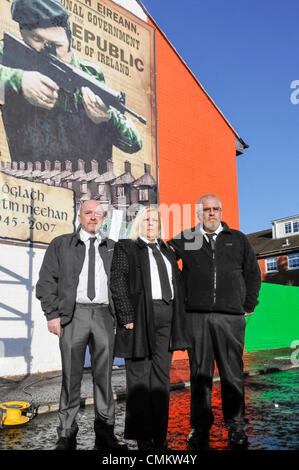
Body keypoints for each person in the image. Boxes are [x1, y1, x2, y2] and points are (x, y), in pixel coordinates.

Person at [0, 0, 142, 172]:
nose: (49, 51)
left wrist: (108, 119)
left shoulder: (90, 75)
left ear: (69, 40)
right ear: (23, 33)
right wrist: (19, 80)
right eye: (37, 39)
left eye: (57, 45)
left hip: (85, 188)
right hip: (30, 185)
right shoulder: (10, 55)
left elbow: (134, 144)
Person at [169, 194, 261, 450]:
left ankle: (236, 429)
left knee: (232, 375)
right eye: (206, 210)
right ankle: (199, 428)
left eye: (215, 209)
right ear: (199, 214)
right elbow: (164, 256)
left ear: (221, 211)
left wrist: (248, 305)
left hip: (230, 318)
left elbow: (253, 273)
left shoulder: (238, 239)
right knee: (200, 375)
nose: (211, 213)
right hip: (196, 318)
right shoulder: (188, 238)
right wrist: (181, 287)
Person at [36, 199, 126, 451]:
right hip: (72, 315)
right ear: (79, 215)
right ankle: (66, 433)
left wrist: (121, 318)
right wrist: (52, 314)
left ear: (104, 218)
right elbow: (46, 282)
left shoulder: (112, 248)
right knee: (71, 376)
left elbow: (121, 284)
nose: (93, 218)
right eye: (88, 213)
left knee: (104, 377)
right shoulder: (61, 244)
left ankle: (105, 432)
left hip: (104, 316)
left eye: (98, 214)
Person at [110, 205, 189, 451]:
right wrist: (126, 316)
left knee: (161, 380)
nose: (151, 224)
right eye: (146, 220)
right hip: (141, 316)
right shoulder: (127, 247)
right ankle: (143, 439)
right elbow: (118, 280)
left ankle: (159, 436)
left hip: (167, 316)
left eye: (155, 220)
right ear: (138, 224)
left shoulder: (166, 250)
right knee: (139, 380)